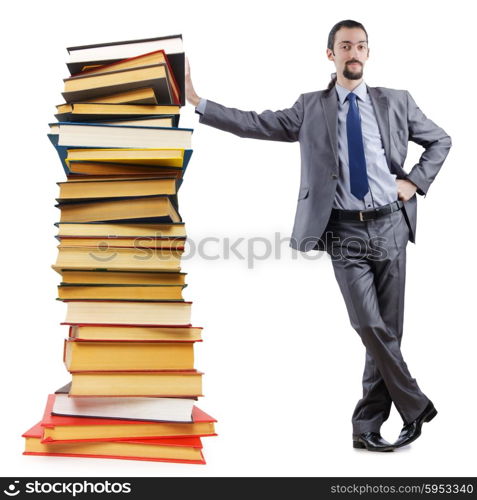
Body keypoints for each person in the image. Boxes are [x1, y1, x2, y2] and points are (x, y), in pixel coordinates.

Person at [185, 19, 451, 452]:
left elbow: (440, 140)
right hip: (344, 230)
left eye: (361, 46)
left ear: (369, 53)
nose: (354, 53)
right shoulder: (311, 107)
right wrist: (198, 102)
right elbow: (255, 123)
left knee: (386, 333)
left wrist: (416, 181)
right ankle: (416, 404)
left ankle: (366, 428)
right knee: (368, 324)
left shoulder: (396, 101)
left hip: (390, 224)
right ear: (331, 55)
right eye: (345, 46)